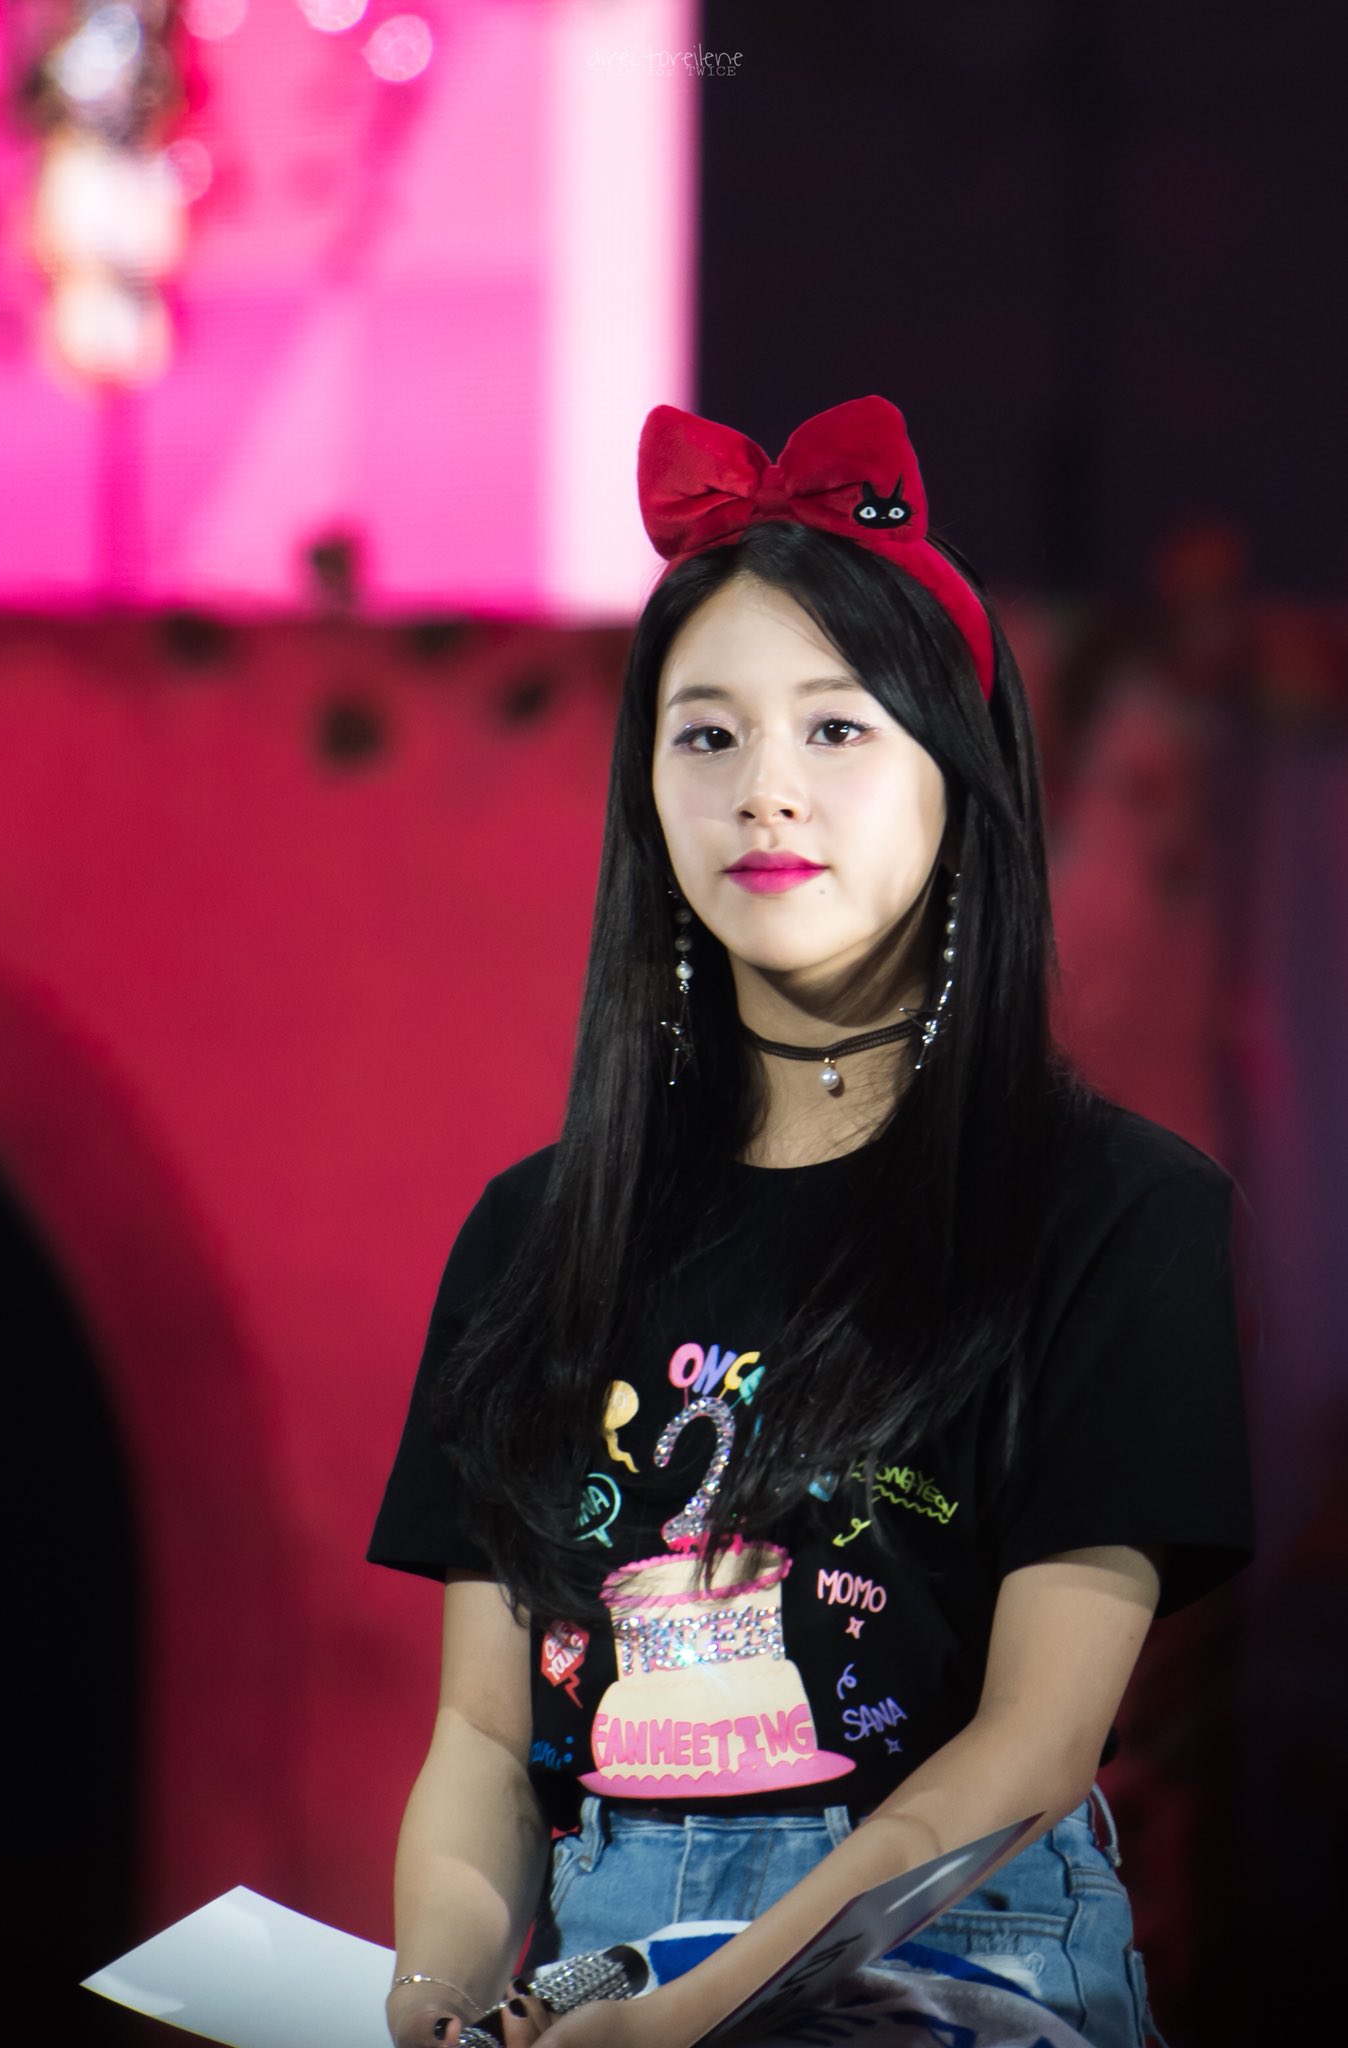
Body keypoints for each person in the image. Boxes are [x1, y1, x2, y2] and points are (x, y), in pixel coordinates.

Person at [369, 399, 1254, 2048]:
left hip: (950, 1964)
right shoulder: (531, 1237)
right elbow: (486, 1744)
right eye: (707, 738)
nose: (766, 792)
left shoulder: (1115, 1215)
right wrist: (434, 1998)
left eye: (837, 730)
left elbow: (1033, 1750)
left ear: (959, 781)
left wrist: (704, 2012)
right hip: (603, 1976)